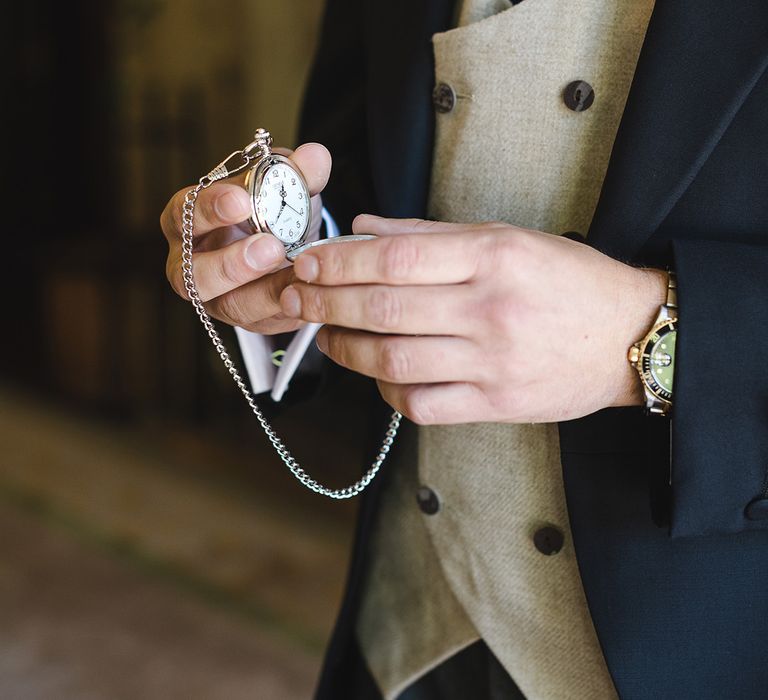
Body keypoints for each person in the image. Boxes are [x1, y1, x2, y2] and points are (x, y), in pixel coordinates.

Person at [161, 0, 768, 698]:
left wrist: (652, 338)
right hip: (405, 636)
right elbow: (358, 171)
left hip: (695, 649)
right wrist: (281, 249)